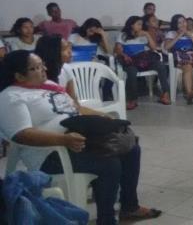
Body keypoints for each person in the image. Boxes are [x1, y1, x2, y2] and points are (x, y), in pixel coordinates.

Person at [0, 50, 162, 225]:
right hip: (50, 154)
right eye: (36, 67)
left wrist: (102, 116)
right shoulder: (11, 97)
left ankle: (130, 207)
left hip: (79, 141)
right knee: (109, 163)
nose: (44, 69)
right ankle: (106, 220)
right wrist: (63, 140)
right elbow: (21, 134)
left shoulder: (48, 85)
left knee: (131, 148)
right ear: (19, 76)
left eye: (42, 65)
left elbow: (75, 108)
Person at [114, 16, 170, 109]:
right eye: (138, 24)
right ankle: (132, 99)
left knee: (160, 65)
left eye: (141, 24)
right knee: (132, 72)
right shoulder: (123, 35)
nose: (140, 26)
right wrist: (124, 55)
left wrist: (147, 35)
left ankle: (165, 94)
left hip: (143, 60)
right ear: (132, 25)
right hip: (130, 60)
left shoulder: (143, 35)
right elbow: (118, 49)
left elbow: (154, 48)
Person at [164, 14, 193, 104]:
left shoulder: (191, 33)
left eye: (184, 22)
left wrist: (190, 35)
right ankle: (189, 93)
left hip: (192, 56)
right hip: (178, 58)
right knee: (188, 67)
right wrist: (179, 35)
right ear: (175, 24)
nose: (183, 24)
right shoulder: (171, 33)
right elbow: (167, 47)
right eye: (179, 23)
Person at [35, 34, 76, 101]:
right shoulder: (40, 75)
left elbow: (74, 101)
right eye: (64, 49)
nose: (70, 52)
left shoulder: (66, 68)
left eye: (69, 47)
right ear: (52, 52)